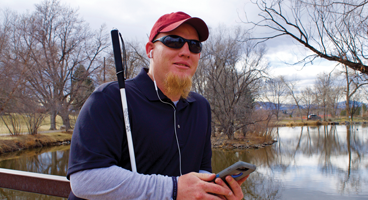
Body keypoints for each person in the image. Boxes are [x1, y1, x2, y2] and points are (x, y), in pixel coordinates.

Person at [67, 11, 248, 200]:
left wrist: (215, 191)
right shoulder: (111, 98)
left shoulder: (200, 107)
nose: (186, 51)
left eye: (195, 46)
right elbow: (84, 180)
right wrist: (174, 189)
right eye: (173, 41)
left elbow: (202, 171)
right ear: (149, 49)